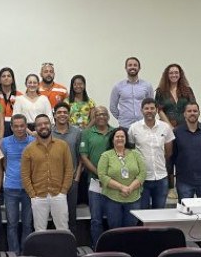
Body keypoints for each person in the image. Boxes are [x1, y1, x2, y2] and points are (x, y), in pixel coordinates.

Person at [21, 114, 74, 231]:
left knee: (63, 229)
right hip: (38, 196)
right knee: (39, 230)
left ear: (51, 125)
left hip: (59, 195)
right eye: (39, 125)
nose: (43, 126)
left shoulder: (63, 145)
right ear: (35, 128)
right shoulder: (28, 149)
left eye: (45, 123)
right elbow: (25, 175)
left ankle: (63, 245)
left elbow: (69, 170)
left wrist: (63, 191)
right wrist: (32, 194)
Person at [155, 63, 196, 200]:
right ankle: (170, 187)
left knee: (184, 157)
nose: (174, 75)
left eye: (176, 72)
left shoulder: (187, 90)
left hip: (185, 128)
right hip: (166, 128)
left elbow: (192, 107)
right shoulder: (161, 91)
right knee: (169, 157)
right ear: (167, 75)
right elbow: (159, 110)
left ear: (180, 74)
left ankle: (184, 185)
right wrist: (169, 126)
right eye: (171, 73)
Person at [128, 98, 175, 209]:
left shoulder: (165, 127)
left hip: (161, 178)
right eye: (146, 108)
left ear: (156, 110)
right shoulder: (134, 128)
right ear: (142, 110)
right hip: (142, 179)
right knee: (143, 212)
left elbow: (169, 152)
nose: (149, 111)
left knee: (159, 212)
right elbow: (130, 151)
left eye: (152, 108)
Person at [98, 128, 145, 229]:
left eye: (122, 136)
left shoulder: (135, 154)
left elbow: (142, 173)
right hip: (112, 199)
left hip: (133, 198)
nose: (120, 138)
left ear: (126, 139)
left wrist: (130, 188)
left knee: (131, 229)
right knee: (115, 229)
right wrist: (121, 187)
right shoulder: (106, 155)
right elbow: (102, 176)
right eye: (117, 136)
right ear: (112, 139)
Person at [80, 106, 114, 246]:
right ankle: (97, 248)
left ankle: (113, 247)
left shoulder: (115, 132)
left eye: (104, 114)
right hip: (94, 181)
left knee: (113, 218)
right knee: (96, 219)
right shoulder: (87, 133)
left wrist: (108, 177)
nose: (101, 116)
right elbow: (84, 157)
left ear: (108, 116)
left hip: (114, 183)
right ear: (94, 117)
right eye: (98, 114)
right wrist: (100, 174)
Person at [0, 114, 35, 253]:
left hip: (29, 189)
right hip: (10, 188)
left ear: (26, 126)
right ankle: (14, 254)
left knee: (27, 224)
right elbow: (4, 162)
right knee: (12, 224)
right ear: (11, 127)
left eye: (22, 126)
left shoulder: (33, 141)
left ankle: (26, 253)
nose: (19, 129)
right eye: (16, 126)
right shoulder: (4, 142)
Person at [172, 102, 201, 201]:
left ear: (199, 113)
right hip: (184, 181)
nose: (192, 113)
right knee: (185, 209)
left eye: (195, 111)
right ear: (184, 114)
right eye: (189, 111)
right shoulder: (176, 132)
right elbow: (173, 155)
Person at [52, 102, 82, 236]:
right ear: (54, 115)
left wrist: (77, 178)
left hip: (72, 180)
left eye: (65, 112)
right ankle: (58, 244)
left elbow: (81, 157)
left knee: (71, 216)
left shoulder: (77, 132)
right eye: (59, 112)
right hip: (54, 181)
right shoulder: (49, 132)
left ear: (69, 115)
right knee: (56, 216)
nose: (62, 115)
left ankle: (72, 244)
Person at [110, 57, 154, 128]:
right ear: (126, 68)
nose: (132, 67)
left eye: (135, 65)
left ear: (139, 68)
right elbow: (113, 107)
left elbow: (152, 106)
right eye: (130, 65)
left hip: (143, 125)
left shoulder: (147, 86)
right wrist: (121, 118)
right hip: (125, 126)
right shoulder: (118, 86)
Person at [0, 67, 22, 137]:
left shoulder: (19, 95)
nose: (6, 78)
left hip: (15, 127)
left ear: (12, 80)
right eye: (3, 76)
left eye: (9, 76)